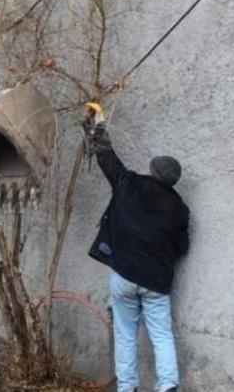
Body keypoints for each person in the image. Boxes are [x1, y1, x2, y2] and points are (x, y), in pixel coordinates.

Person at [85, 116, 189, 392]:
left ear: (152, 170)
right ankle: (167, 386)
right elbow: (182, 248)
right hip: (156, 282)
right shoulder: (180, 208)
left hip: (124, 275)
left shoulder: (129, 183)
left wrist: (95, 125)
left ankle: (127, 387)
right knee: (162, 334)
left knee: (125, 335)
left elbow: (107, 158)